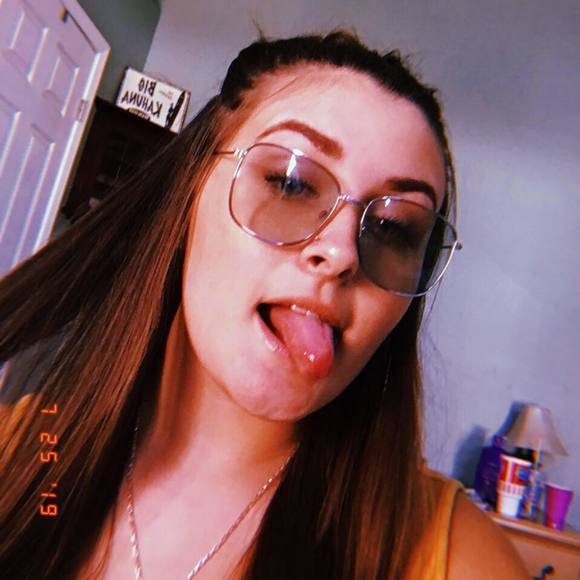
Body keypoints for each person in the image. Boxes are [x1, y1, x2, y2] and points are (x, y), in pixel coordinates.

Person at [0, 31, 527, 579]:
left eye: (394, 228)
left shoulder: (457, 556)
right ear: (189, 188)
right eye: (292, 183)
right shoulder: (28, 447)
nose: (342, 252)